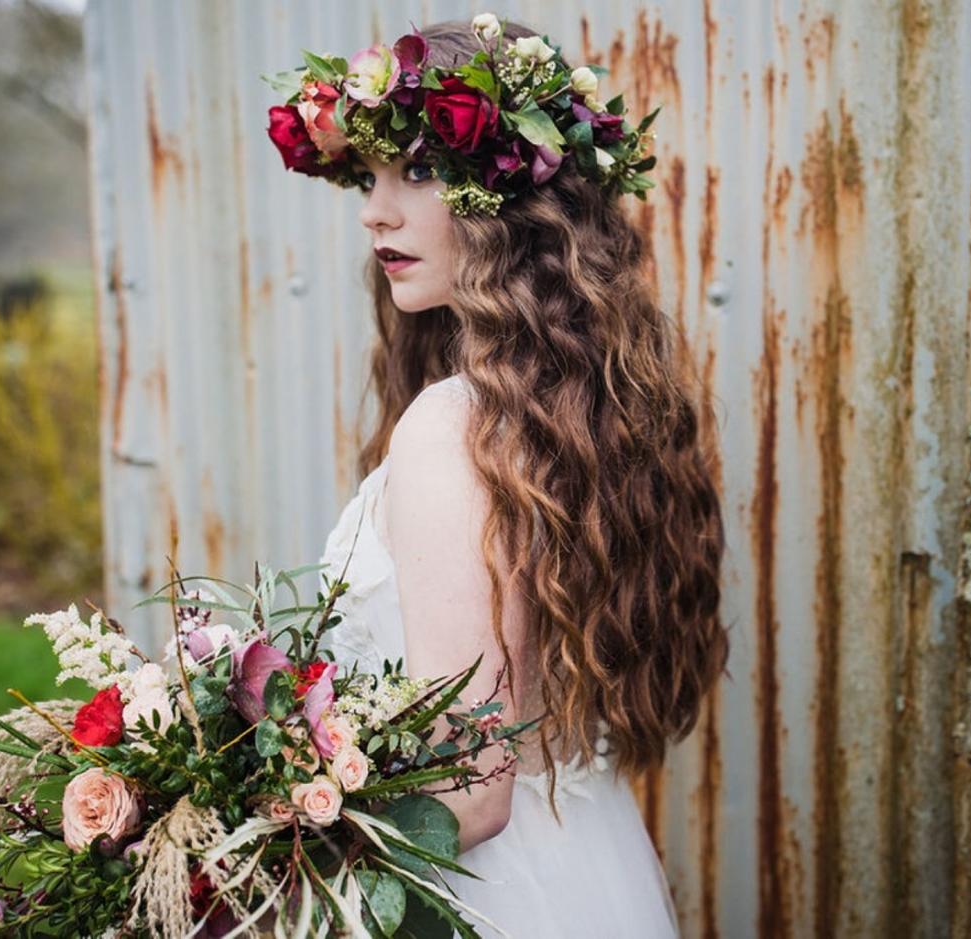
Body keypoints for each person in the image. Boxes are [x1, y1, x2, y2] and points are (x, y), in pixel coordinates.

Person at [271, 15, 727, 938]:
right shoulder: (579, 416)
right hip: (581, 862)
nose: (374, 211)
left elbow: (471, 795)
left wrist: (241, 845)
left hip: (479, 892)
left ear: (511, 205)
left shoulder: (451, 426)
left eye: (421, 172)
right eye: (369, 177)